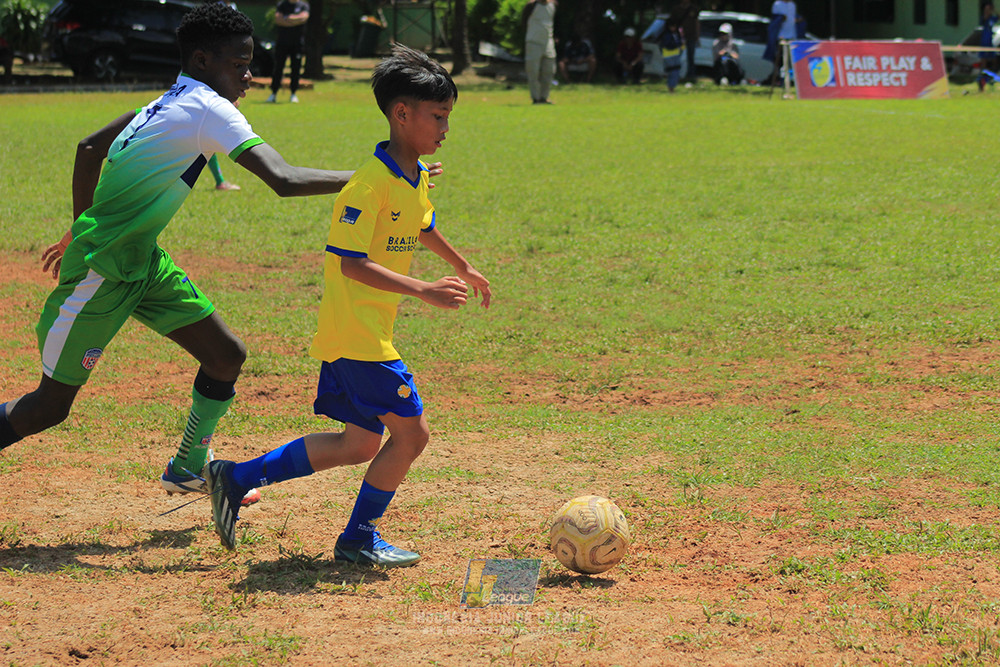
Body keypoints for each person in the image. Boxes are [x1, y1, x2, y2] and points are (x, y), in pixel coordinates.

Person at [0, 3, 374, 508]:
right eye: (239, 64)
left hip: (141, 262)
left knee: (225, 356)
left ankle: (187, 468)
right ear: (202, 60)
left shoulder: (167, 99)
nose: (248, 76)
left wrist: (82, 223)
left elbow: (90, 149)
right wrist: (374, 178)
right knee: (48, 407)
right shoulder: (209, 108)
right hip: (102, 270)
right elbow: (283, 179)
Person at [205, 44, 492, 565]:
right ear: (401, 113)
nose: (446, 127)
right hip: (358, 336)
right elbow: (351, 264)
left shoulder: (414, 175)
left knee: (359, 444)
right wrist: (424, 289)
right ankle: (358, 537)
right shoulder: (366, 185)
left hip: (362, 333)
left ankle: (235, 476)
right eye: (438, 116)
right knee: (412, 435)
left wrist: (463, 265)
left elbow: (420, 223)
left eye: (449, 116)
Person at [267, 0, 309, 103]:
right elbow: (278, 20)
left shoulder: (303, 5)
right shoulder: (282, 4)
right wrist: (296, 20)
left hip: (297, 44)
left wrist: (287, 18)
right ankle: (273, 93)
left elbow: (304, 18)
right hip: (282, 43)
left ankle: (293, 93)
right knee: (278, 68)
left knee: (296, 68)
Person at [522, 0, 557, 104]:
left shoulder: (553, 5)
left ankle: (544, 97)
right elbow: (523, 22)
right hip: (533, 42)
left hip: (548, 42)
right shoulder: (531, 5)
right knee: (533, 71)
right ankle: (536, 98)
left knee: (549, 71)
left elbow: (555, 22)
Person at [671, 0, 699, 82]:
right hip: (679, 37)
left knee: (691, 57)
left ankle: (691, 75)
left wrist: (697, 36)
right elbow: (672, 23)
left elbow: (697, 22)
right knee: (677, 56)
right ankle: (675, 74)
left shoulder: (694, 9)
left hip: (691, 36)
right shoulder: (676, 9)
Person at [660, 19, 684, 92]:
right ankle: (671, 88)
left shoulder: (676, 34)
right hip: (668, 56)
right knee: (672, 72)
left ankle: (672, 87)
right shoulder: (666, 35)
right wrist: (677, 44)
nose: (673, 28)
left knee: (676, 72)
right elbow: (668, 45)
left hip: (676, 55)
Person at [980, 2, 999, 91]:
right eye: (986, 10)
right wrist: (986, 13)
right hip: (984, 43)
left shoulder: (992, 18)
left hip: (990, 43)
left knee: (994, 60)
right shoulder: (984, 19)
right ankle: (982, 80)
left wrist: (994, 10)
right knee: (983, 61)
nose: (987, 11)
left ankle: (992, 76)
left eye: (988, 9)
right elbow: (984, 19)